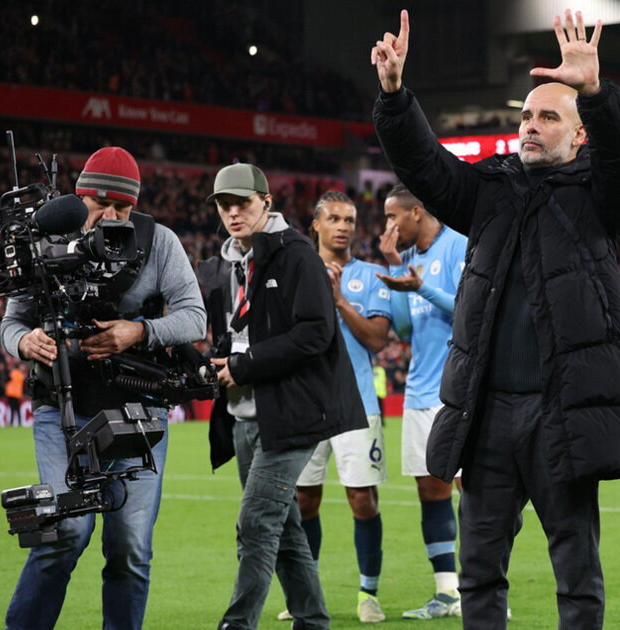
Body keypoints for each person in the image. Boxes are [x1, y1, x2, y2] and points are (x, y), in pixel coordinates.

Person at [371, 9, 620, 628]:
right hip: (488, 413)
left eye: (548, 117)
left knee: (576, 570)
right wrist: (394, 97)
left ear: (579, 136)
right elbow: (425, 166)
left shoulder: (599, 197)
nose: (530, 125)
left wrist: (596, 92)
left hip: (561, 413)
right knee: (478, 570)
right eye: (526, 115)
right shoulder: (489, 192)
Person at [0, 147, 206, 630]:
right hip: (63, 408)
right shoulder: (45, 236)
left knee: (130, 548)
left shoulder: (160, 242)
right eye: (101, 204)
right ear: (79, 198)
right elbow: (12, 323)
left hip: (140, 410)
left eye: (123, 208)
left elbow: (195, 317)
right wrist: (25, 342)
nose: (112, 216)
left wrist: (139, 331)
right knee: (65, 532)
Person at [198, 163, 367, 630]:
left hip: (293, 413)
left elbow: (316, 333)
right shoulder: (223, 263)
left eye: (243, 203)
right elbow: (234, 333)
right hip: (243, 415)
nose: (233, 213)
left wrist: (244, 365)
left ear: (266, 202)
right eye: (224, 205)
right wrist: (216, 362)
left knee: (256, 523)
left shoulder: (296, 255)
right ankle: (311, 620)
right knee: (286, 531)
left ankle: (237, 624)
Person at [274, 190, 394, 623]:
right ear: (317, 225)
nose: (343, 226)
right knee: (305, 501)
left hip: (355, 403)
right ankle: (307, 596)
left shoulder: (373, 276)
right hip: (306, 405)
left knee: (362, 499)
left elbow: (377, 340)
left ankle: (368, 593)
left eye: (350, 220)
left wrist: (339, 299)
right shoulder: (293, 273)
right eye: (335, 219)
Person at [375, 184, 468, 619]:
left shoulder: (458, 245)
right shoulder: (409, 258)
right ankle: (447, 593)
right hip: (418, 391)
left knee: (474, 493)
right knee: (431, 491)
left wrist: (421, 287)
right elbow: (403, 328)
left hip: (459, 391)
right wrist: (396, 267)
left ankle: (484, 588)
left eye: (392, 217)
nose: (388, 226)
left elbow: (469, 310)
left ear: (416, 211)